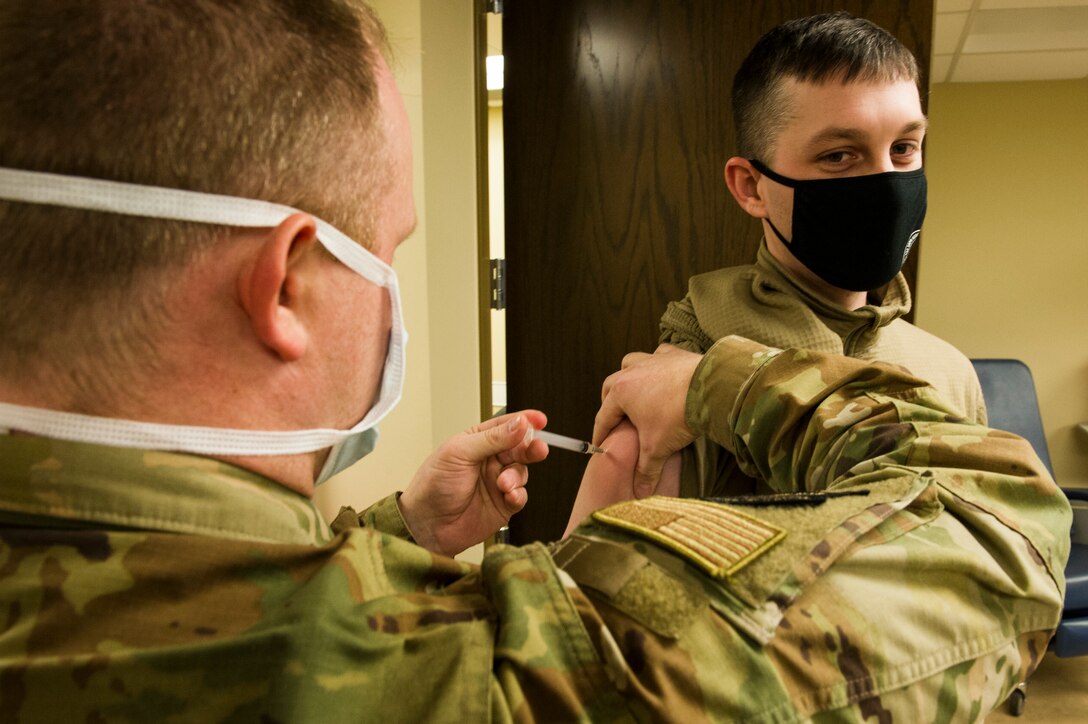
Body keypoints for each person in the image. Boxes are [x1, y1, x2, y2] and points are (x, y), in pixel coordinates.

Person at [0, 2, 1069, 721]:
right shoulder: (466, 668)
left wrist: (397, 532)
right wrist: (705, 391)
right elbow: (999, 530)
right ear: (284, 286)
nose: (879, 180)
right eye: (390, 251)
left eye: (903, 149)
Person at [576, 12, 989, 518]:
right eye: (839, 155)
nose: (886, 184)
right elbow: (588, 585)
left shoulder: (949, 373)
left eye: (903, 149)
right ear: (752, 187)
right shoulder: (676, 374)